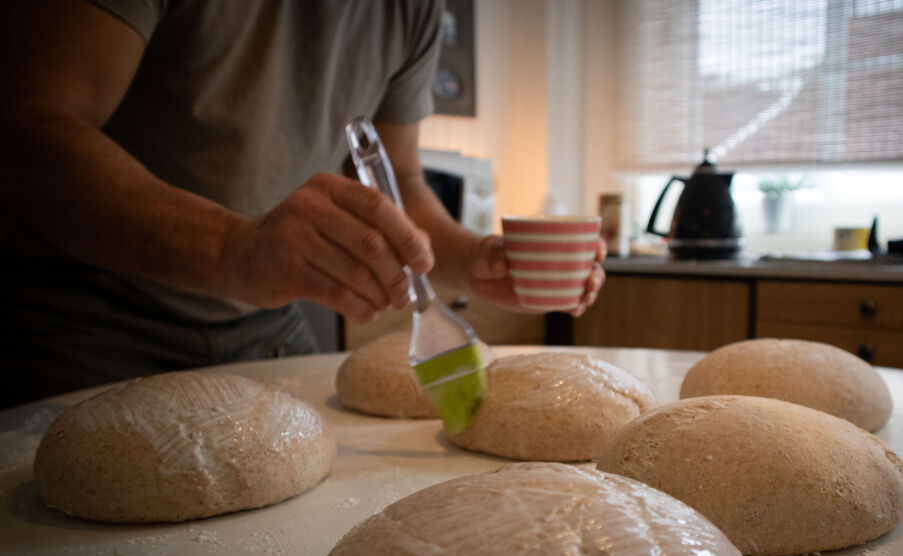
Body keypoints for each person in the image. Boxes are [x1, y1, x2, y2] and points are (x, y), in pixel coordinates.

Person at [0, 0, 606, 408]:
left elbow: (397, 181)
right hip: (82, 318)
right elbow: (27, 130)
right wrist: (230, 249)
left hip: (267, 328)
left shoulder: (413, 9)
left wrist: (472, 258)